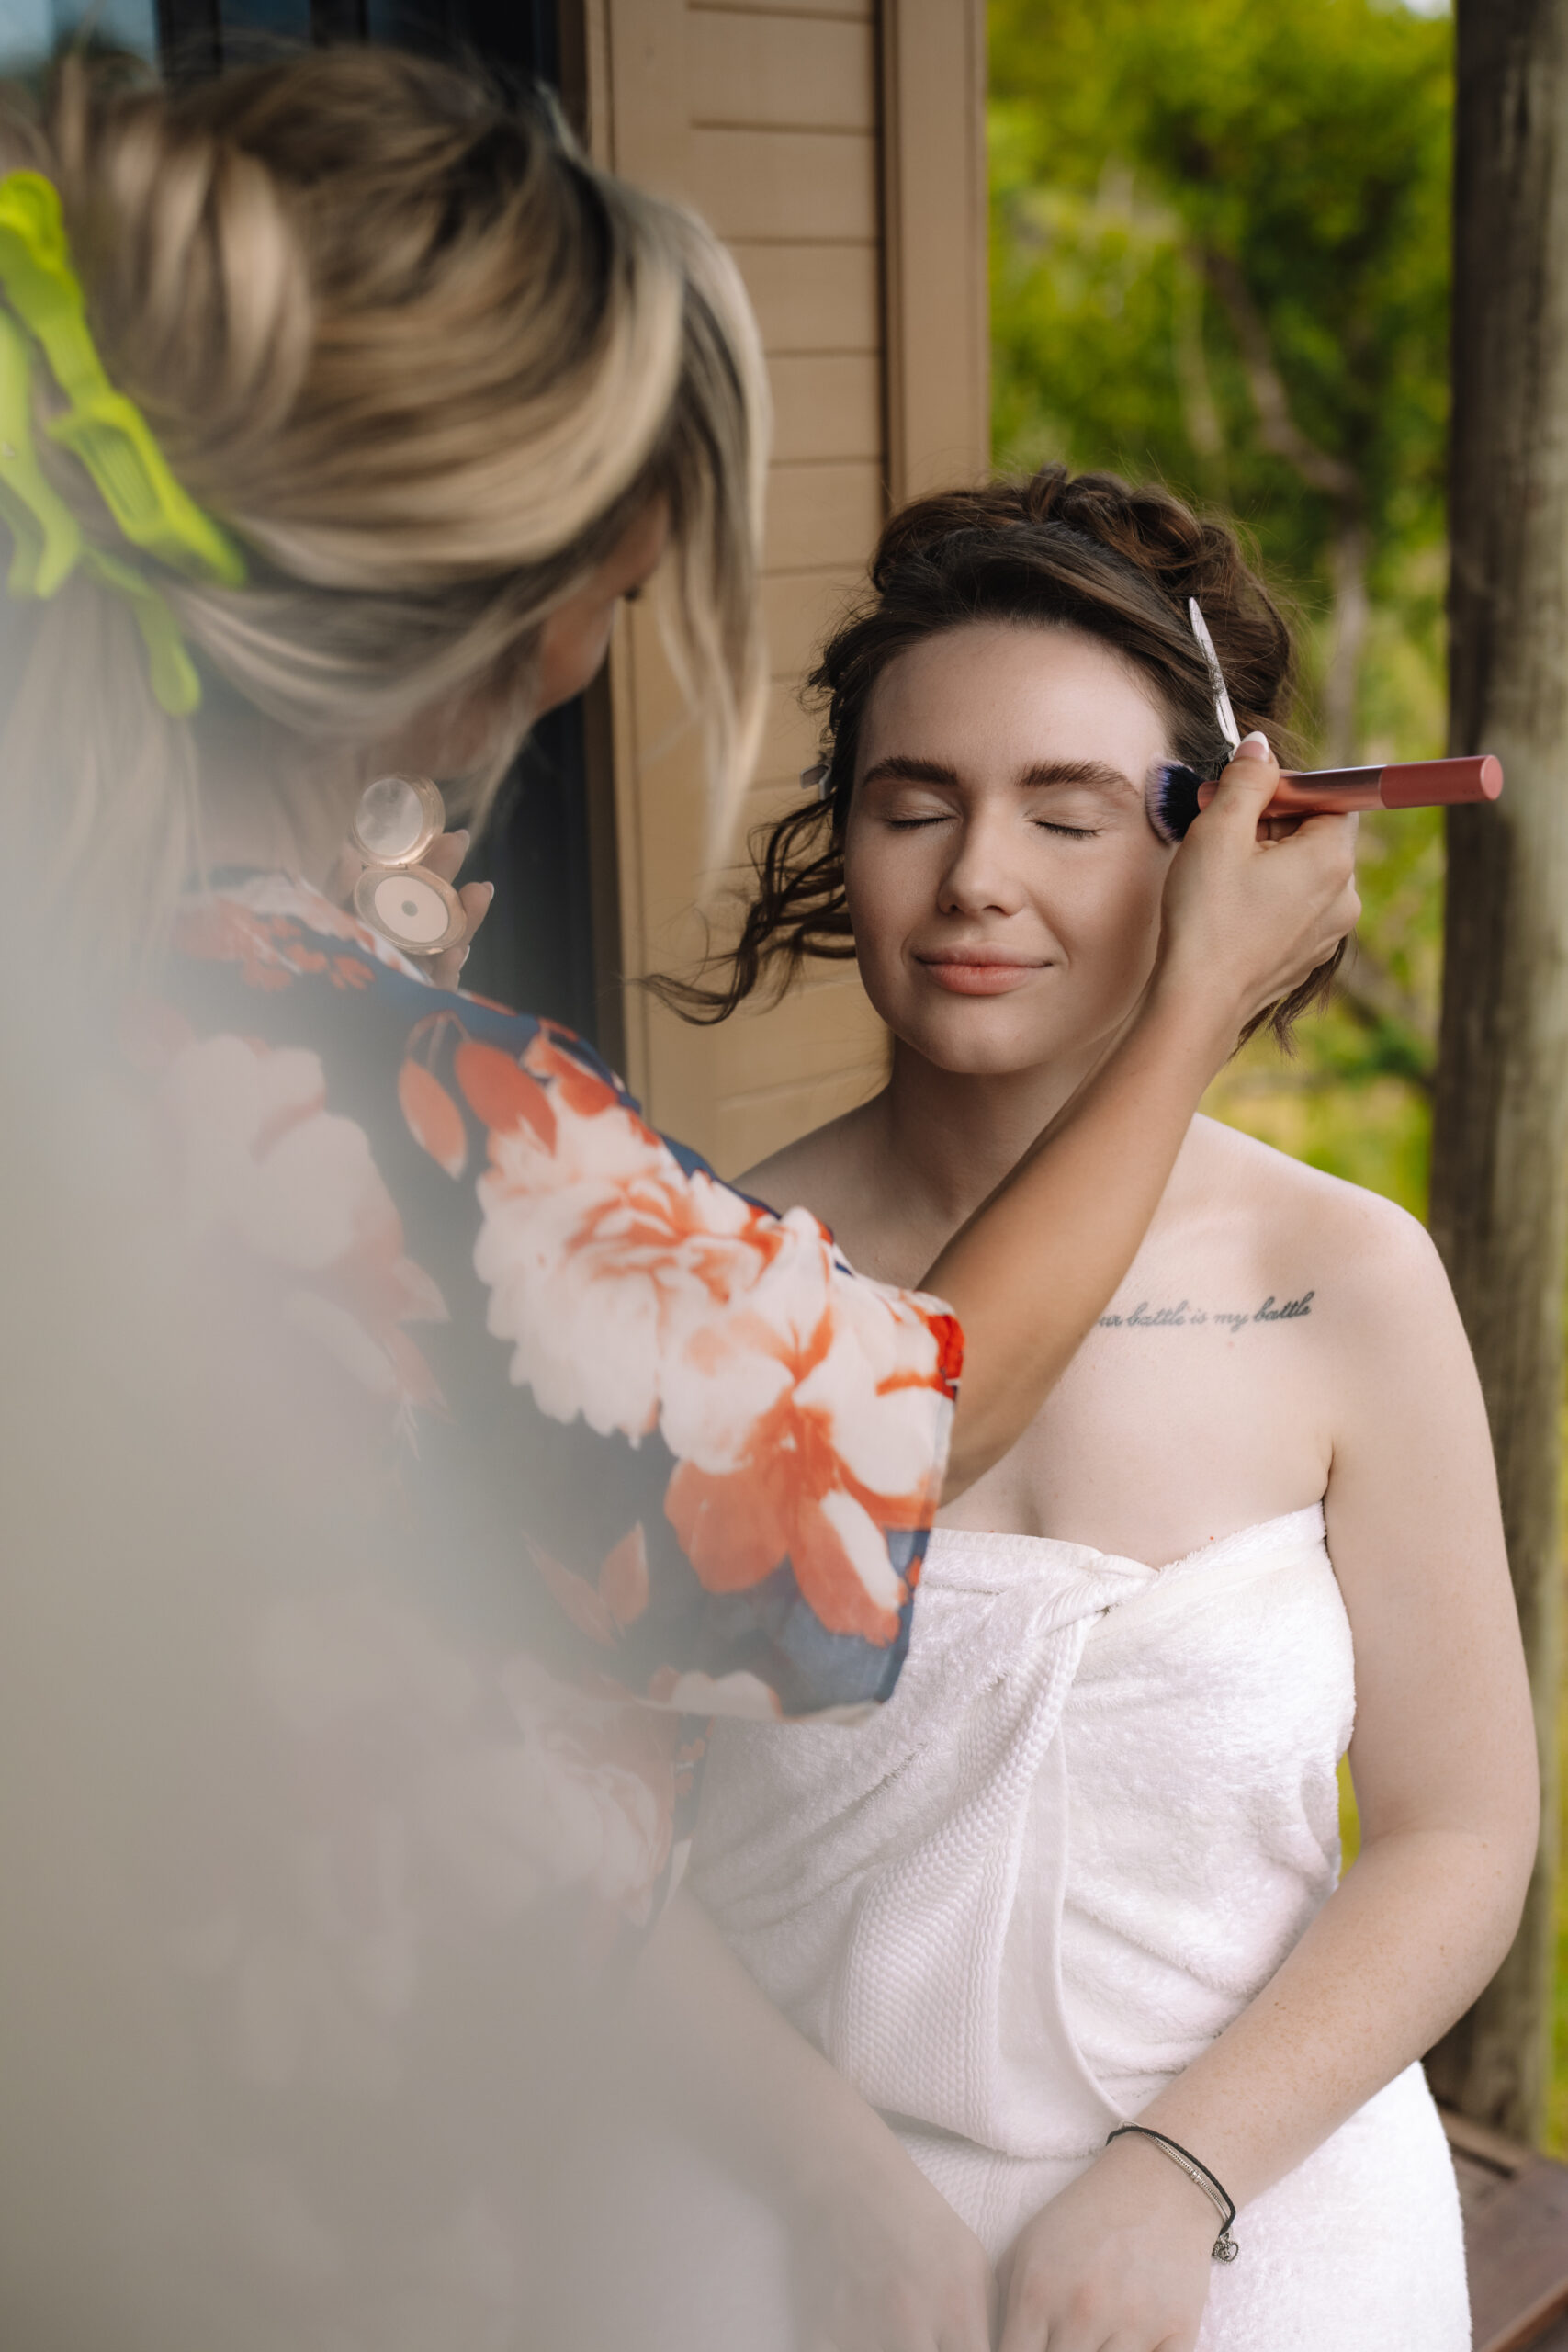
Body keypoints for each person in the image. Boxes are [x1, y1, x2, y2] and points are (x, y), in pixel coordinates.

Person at [0, 46, 1356, 2337]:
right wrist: (1192, 1003)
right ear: (506, 610)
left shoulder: (133, 994)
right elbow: (886, 1439)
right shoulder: (423, 1107)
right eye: (621, 582)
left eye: (1066, 809)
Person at [657, 469, 1540, 2352]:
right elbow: (582, 1834)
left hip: (1255, 2196)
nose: (976, 875)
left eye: (1064, 815)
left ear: (1224, 841)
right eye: (912, 804)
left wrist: (1178, 2172)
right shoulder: (707, 1272)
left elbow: (1460, 1829)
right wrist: (830, 2187)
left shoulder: (1346, 1278)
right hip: (771, 2196)